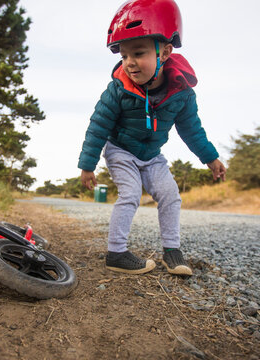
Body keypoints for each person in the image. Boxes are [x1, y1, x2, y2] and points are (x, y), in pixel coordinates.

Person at [78, 0, 226, 276]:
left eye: (138, 53)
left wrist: (211, 158)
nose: (130, 63)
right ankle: (116, 253)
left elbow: (192, 129)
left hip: (152, 155)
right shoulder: (118, 90)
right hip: (120, 150)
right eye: (123, 56)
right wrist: (87, 165)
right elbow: (98, 126)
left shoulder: (181, 92)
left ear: (165, 52)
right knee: (131, 194)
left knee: (170, 194)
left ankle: (172, 252)